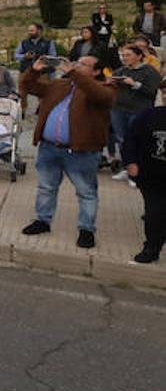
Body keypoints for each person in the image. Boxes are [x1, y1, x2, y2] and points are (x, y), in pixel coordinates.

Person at [20, 55, 114, 248]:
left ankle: (86, 230)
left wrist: (73, 73)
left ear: (96, 71)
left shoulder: (105, 88)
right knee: (46, 187)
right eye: (76, 62)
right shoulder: (59, 85)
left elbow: (99, 96)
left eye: (83, 64)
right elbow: (29, 86)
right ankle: (42, 221)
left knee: (86, 192)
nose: (76, 65)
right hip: (49, 148)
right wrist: (35, 70)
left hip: (81, 152)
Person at [122, 78, 166, 263]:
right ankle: (151, 249)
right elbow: (130, 140)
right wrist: (131, 163)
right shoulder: (149, 115)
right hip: (152, 178)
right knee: (154, 215)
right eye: (164, 92)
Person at [108, 45, 161, 179]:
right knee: (122, 139)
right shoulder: (121, 70)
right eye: (123, 56)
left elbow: (153, 91)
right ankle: (127, 168)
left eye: (128, 55)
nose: (125, 58)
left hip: (138, 110)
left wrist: (135, 84)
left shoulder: (149, 71)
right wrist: (111, 82)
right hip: (118, 110)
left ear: (138, 56)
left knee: (137, 140)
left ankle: (140, 171)